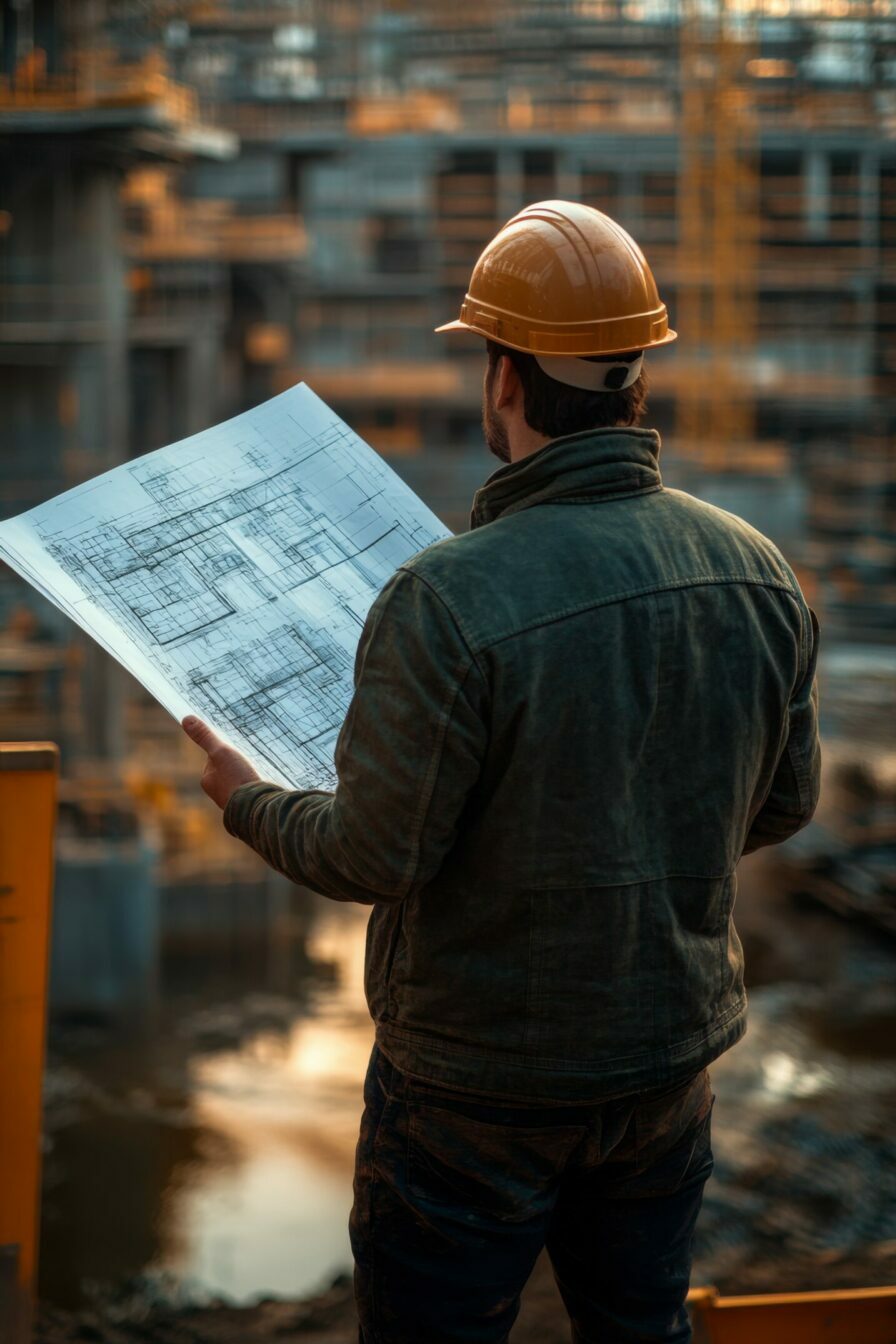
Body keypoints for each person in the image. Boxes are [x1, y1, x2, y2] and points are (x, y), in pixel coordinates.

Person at [183, 201, 822, 1344]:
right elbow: (783, 802)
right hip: (663, 1063)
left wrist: (246, 802)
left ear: (502, 377)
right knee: (640, 1328)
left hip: (472, 1088)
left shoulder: (448, 596)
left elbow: (374, 853)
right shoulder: (758, 573)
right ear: (637, 379)